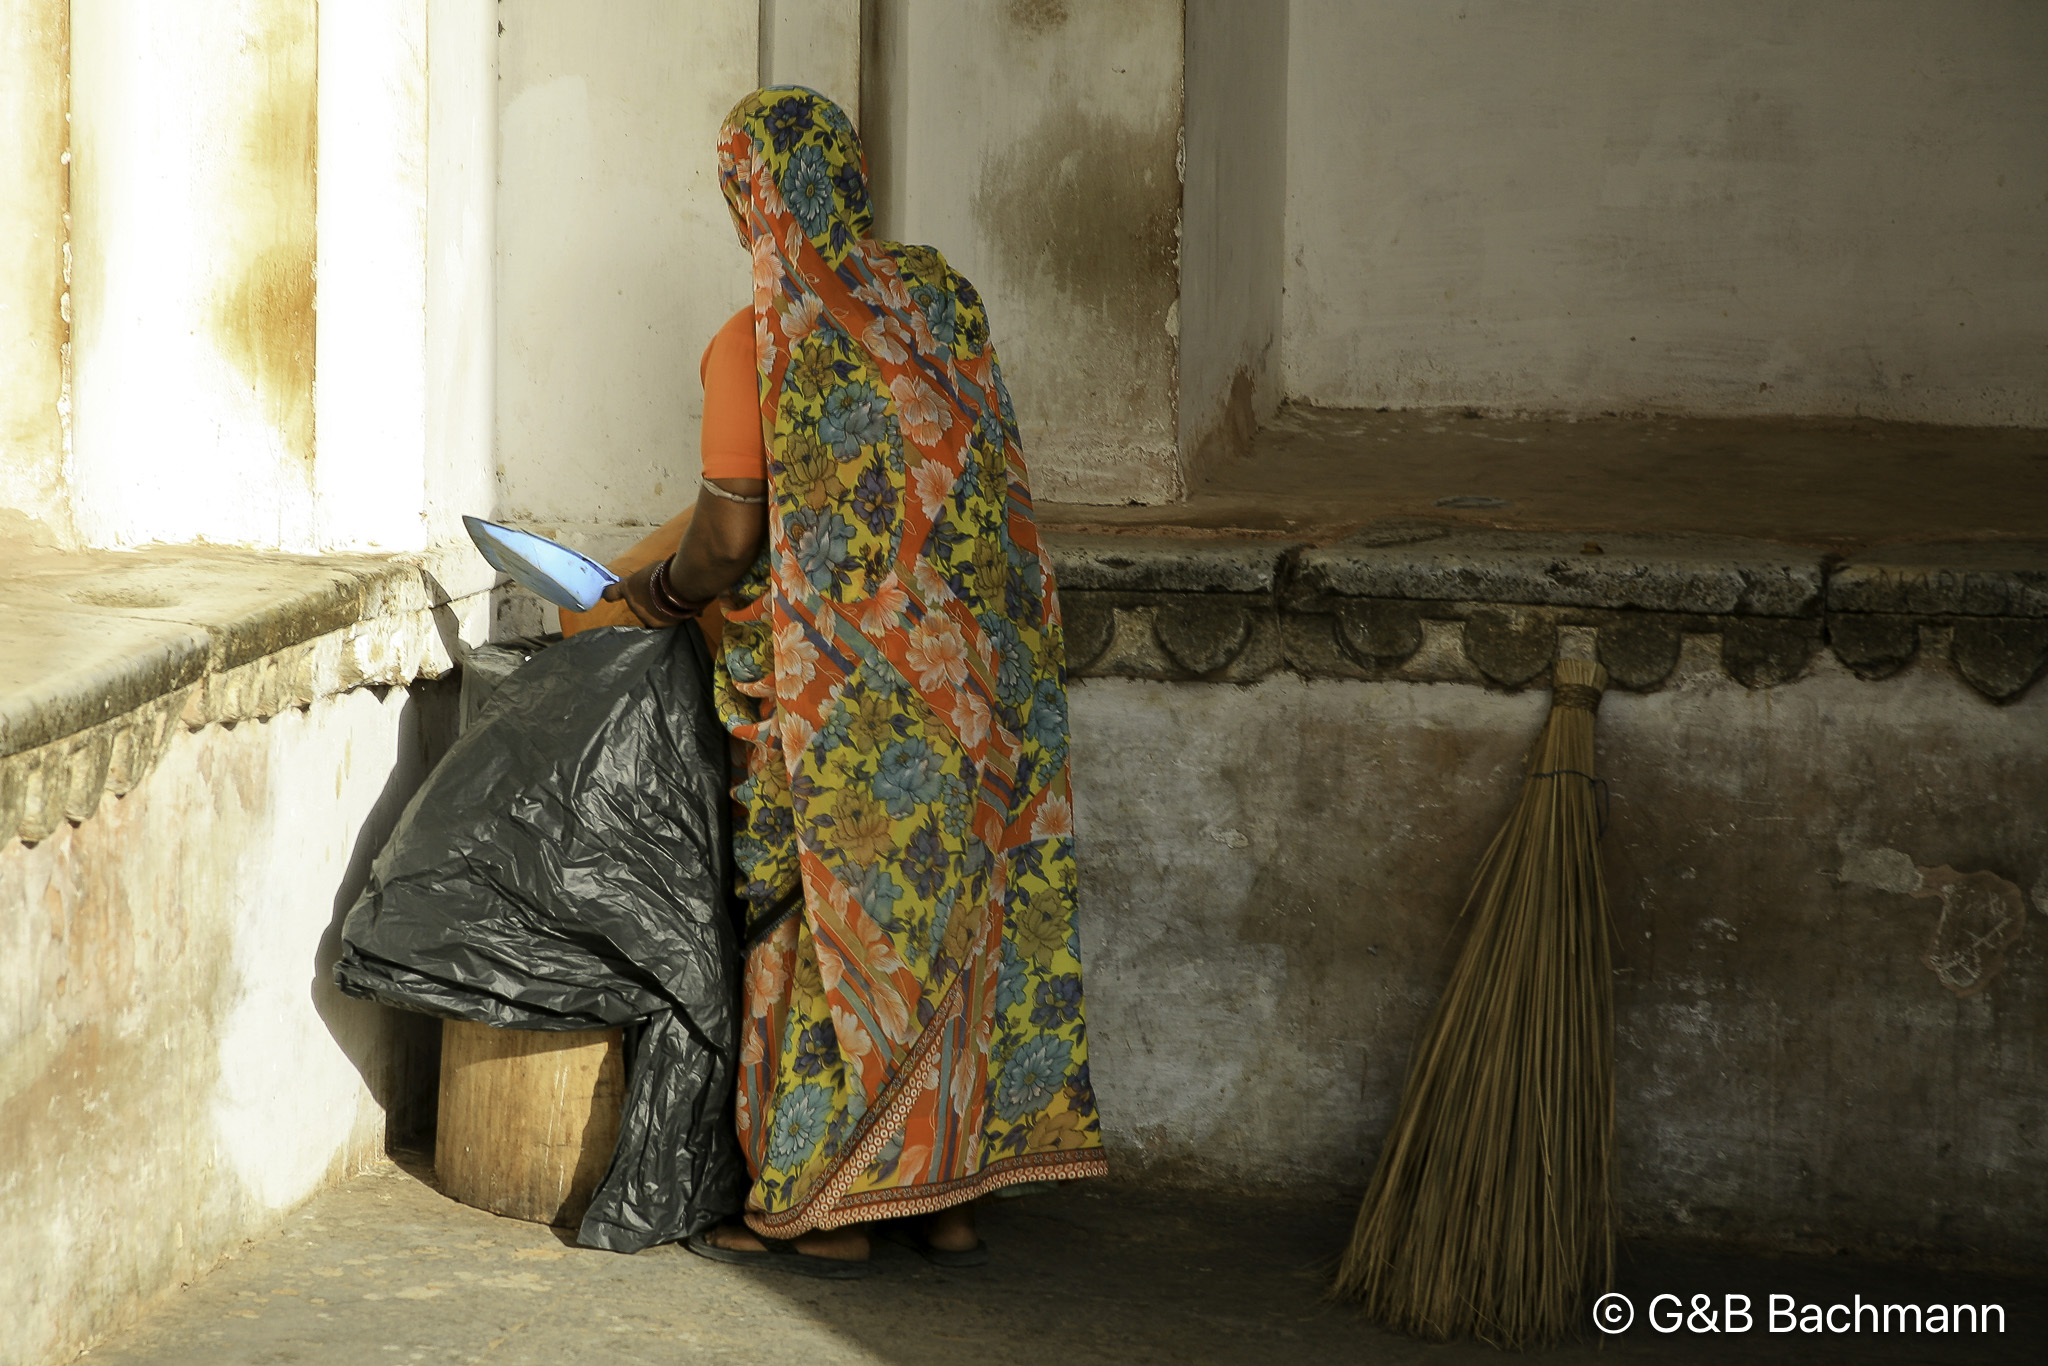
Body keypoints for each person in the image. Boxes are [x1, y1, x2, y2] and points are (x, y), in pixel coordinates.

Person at [601, 86, 1105, 1276]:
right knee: (954, 928)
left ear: (745, 194)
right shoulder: (936, 299)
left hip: (843, 705)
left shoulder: (758, 340)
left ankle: (827, 1209)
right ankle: (947, 1203)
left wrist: (649, 598)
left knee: (826, 930)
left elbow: (730, 542)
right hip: (979, 682)